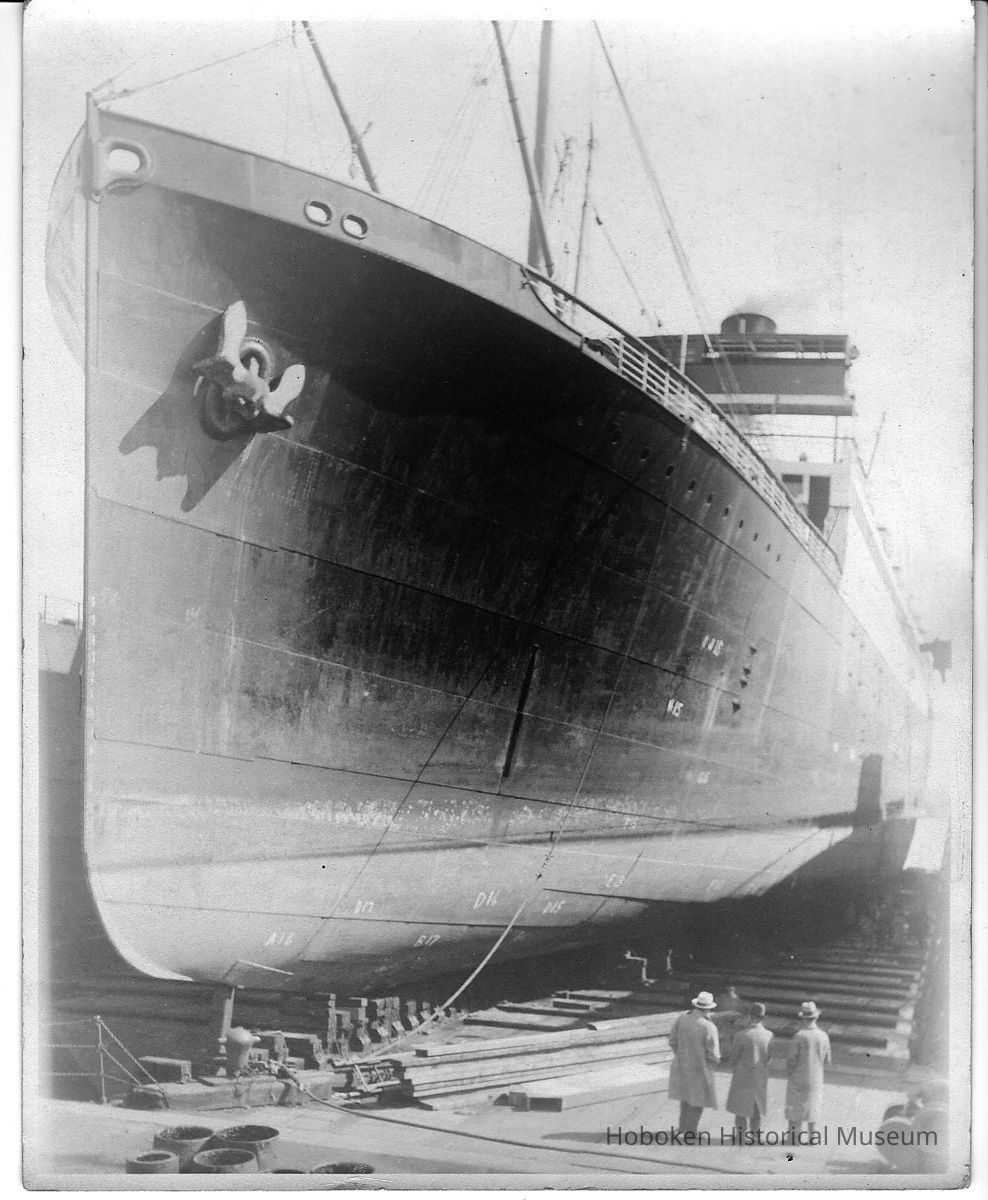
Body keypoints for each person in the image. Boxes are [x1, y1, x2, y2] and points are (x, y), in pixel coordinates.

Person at [668, 990, 720, 1135]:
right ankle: (690, 1131)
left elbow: (672, 1040)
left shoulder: (682, 1018)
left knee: (685, 1098)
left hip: (682, 1064)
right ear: (709, 1008)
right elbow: (714, 1054)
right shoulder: (708, 1026)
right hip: (700, 1068)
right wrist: (711, 1063)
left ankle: (682, 1127)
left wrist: (681, 1055)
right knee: (698, 1101)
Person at [726, 1002, 773, 1138]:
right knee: (757, 1105)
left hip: (742, 1074)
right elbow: (769, 1058)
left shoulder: (741, 1035)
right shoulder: (769, 1035)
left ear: (750, 1016)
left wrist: (734, 1066)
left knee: (740, 1106)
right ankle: (755, 1134)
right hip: (760, 1074)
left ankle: (740, 1135)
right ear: (763, 1018)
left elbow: (733, 1057)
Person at [785, 1001, 831, 1138]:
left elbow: (791, 1059)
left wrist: (789, 1071)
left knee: (795, 1106)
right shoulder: (823, 1036)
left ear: (803, 1018)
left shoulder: (799, 1036)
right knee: (813, 1107)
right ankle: (813, 1137)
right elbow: (827, 1060)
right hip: (816, 1077)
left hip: (798, 1076)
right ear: (816, 1017)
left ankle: (794, 1137)